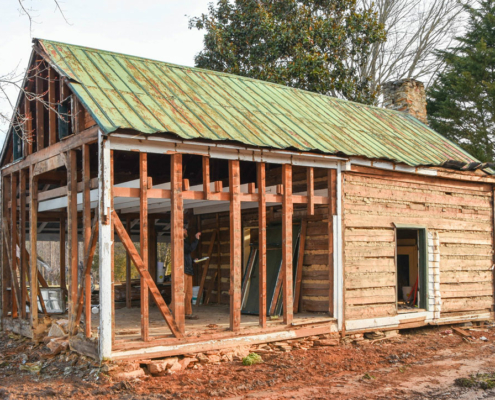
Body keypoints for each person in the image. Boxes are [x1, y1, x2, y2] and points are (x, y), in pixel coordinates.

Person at [184, 227, 201, 319]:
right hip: (182, 270)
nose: (186, 231)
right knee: (182, 292)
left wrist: (193, 261)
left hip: (188, 270)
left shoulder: (185, 242)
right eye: (184, 229)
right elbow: (190, 249)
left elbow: (186, 256)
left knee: (189, 293)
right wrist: (196, 239)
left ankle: (188, 312)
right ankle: (172, 309)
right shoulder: (180, 241)